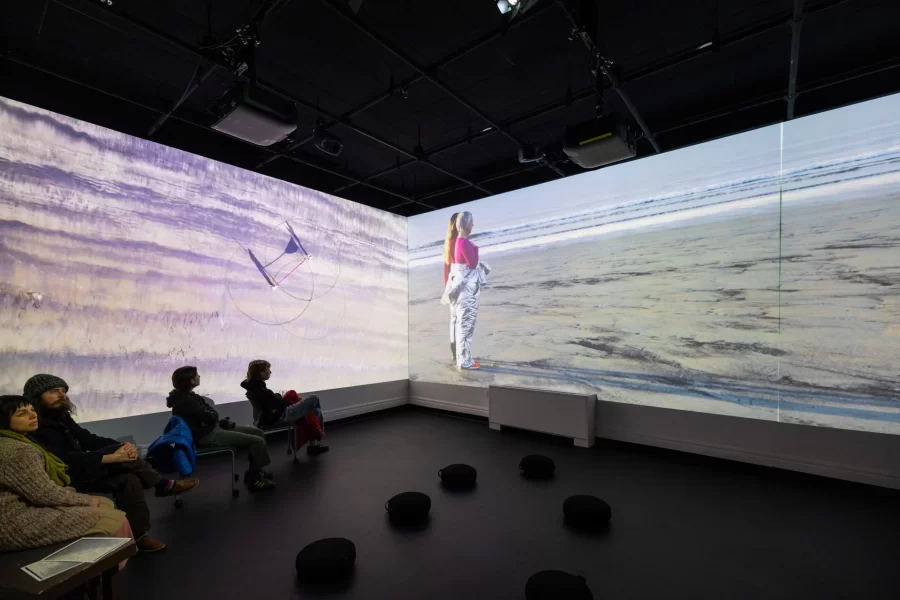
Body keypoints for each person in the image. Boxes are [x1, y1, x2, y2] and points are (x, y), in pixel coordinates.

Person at [25, 374, 198, 553]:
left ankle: (138, 537)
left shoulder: (61, 417)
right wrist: (109, 457)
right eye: (54, 391)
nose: (62, 395)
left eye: (63, 391)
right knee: (113, 455)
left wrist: (121, 446)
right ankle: (163, 484)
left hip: (82, 471)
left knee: (129, 479)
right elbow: (60, 461)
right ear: (36, 396)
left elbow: (89, 439)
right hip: (62, 479)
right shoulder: (31, 426)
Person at [0, 395, 133, 555]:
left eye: (32, 410)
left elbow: (88, 440)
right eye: (22, 413)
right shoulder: (19, 450)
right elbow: (43, 494)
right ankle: (100, 569)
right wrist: (86, 500)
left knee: (106, 501)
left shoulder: (19, 441)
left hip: (25, 505)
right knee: (117, 520)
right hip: (12, 520)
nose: (33, 415)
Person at [166, 366, 276, 491]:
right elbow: (211, 416)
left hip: (211, 429)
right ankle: (254, 478)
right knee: (258, 441)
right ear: (190, 381)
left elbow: (210, 415)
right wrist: (213, 416)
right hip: (206, 436)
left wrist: (213, 416)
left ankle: (255, 470)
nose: (199, 376)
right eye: (196, 375)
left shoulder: (188, 397)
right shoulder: (186, 401)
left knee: (258, 432)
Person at [240, 360, 329, 456]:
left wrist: (278, 397)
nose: (270, 372)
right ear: (261, 372)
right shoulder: (260, 390)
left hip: (272, 416)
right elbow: (278, 403)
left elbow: (274, 401)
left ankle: (314, 445)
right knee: (314, 398)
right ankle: (318, 438)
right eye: (268, 369)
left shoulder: (254, 388)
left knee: (315, 411)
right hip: (281, 416)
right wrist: (280, 397)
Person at [441, 211, 490, 370]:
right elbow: (472, 264)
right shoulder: (461, 243)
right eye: (470, 222)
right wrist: (476, 252)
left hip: (454, 286)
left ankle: (458, 355)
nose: (472, 225)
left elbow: (449, 268)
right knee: (465, 324)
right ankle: (463, 359)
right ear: (461, 224)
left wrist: (448, 288)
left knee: (456, 322)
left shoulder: (451, 244)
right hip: (463, 290)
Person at [443, 212, 460, 364]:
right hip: (458, 284)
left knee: (454, 319)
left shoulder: (448, 242)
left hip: (451, 284)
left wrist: (447, 289)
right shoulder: (458, 241)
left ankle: (454, 352)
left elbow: (446, 268)